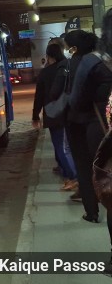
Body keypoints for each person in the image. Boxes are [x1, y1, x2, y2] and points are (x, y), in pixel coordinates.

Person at [67, 27, 112, 223]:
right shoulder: (102, 61)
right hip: (103, 120)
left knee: (88, 168)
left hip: (90, 123)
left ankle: (92, 212)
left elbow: (76, 99)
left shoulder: (84, 63)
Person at [32, 43, 78, 190]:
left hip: (53, 114)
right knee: (66, 144)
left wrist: (35, 115)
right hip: (69, 112)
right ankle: (64, 169)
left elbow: (39, 96)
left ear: (49, 56)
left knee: (60, 145)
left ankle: (73, 176)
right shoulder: (68, 67)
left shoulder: (45, 73)